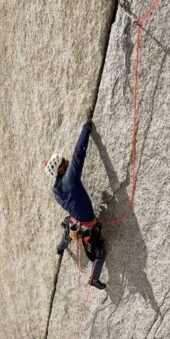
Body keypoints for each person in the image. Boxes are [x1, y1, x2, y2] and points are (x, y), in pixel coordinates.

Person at [44, 122, 107, 290]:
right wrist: (86, 129)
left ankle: (60, 247)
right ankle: (94, 279)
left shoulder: (55, 190)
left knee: (68, 233)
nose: (68, 160)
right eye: (65, 161)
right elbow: (79, 153)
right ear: (60, 168)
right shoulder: (70, 179)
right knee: (100, 254)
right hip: (86, 225)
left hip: (75, 222)